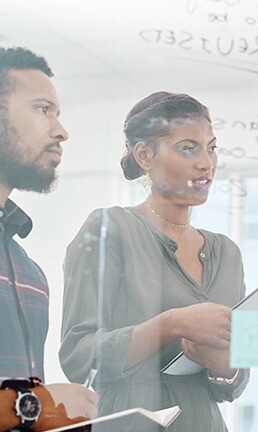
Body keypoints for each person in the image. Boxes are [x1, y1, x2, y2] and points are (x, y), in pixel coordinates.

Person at [59, 92, 249, 432]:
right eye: (188, 148)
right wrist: (171, 324)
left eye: (212, 148)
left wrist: (226, 366)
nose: (206, 163)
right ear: (145, 155)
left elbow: (235, 381)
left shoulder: (228, 253)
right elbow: (78, 357)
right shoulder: (110, 229)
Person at [0, 46, 98, 431]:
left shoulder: (29, 275)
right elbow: (29, 408)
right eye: (43, 109)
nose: (61, 131)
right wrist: (33, 407)